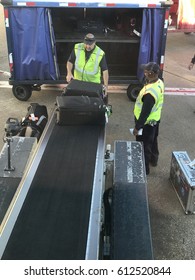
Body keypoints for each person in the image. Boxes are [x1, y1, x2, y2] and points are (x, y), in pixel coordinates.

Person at [133, 62, 164, 175]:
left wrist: (137, 127)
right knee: (153, 141)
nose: (144, 73)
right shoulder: (160, 82)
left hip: (146, 123)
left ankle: (144, 170)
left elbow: (145, 112)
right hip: (155, 120)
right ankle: (154, 159)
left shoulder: (150, 94)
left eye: (145, 72)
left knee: (144, 146)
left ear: (149, 74)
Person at [66, 33, 109, 100]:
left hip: (92, 85)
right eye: (86, 44)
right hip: (78, 83)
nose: (88, 46)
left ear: (94, 42)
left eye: (90, 44)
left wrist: (106, 86)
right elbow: (70, 61)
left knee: (91, 106)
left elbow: (105, 71)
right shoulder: (77, 48)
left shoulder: (100, 53)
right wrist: (69, 72)